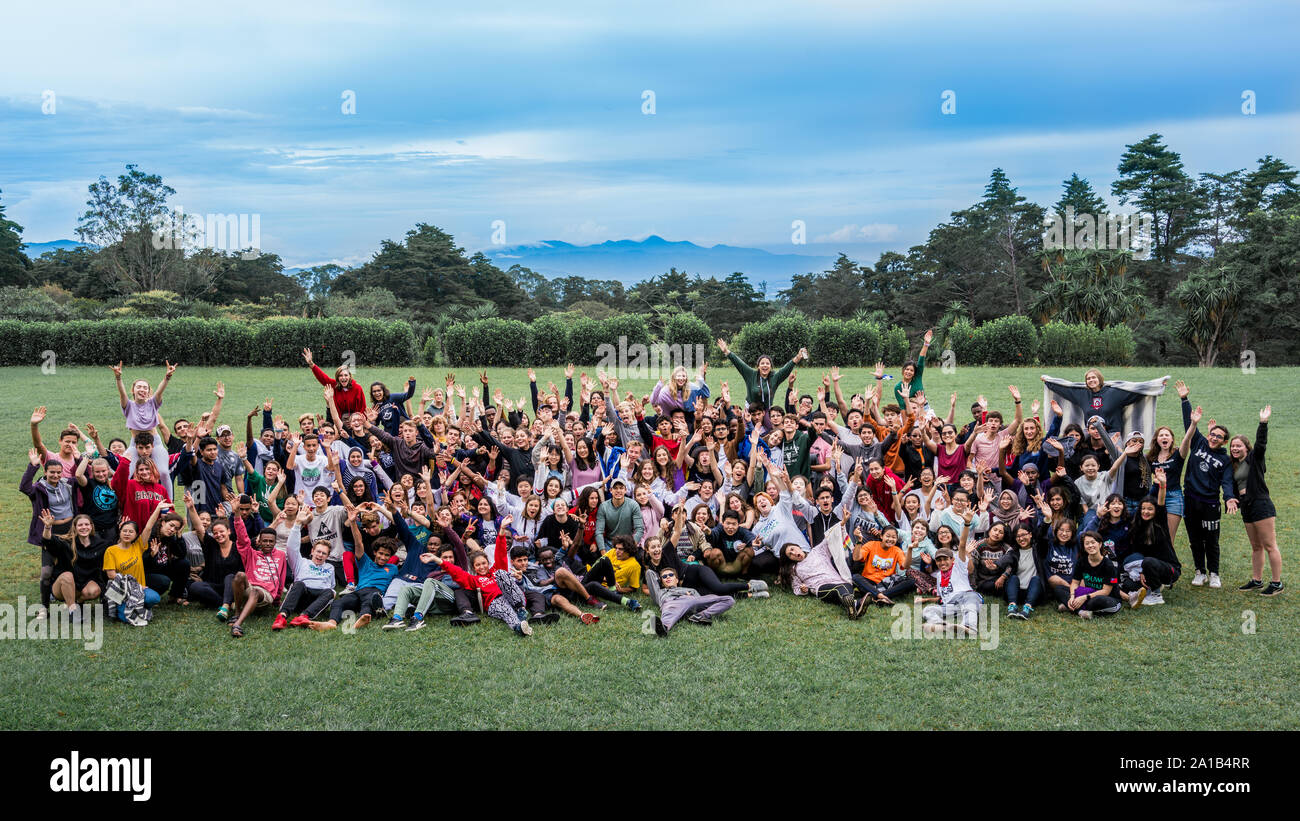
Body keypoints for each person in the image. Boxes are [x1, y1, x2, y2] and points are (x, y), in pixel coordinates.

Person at [1178, 387, 1236, 589]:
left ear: (1224, 442)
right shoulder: (1199, 442)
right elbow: (1189, 424)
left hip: (1210, 504)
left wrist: (1229, 497)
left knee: (1211, 540)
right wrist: (1185, 399)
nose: (1213, 438)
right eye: (1212, 434)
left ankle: (1214, 573)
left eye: (1218, 437)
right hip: (1190, 501)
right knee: (1194, 539)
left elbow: (1227, 481)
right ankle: (1199, 572)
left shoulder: (1225, 459)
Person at [1230, 406, 1282, 596]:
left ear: (1246, 447)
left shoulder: (1254, 458)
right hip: (1247, 506)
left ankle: (1277, 583)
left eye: (1238, 446)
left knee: (1270, 545)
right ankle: (1256, 580)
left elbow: (1261, 444)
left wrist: (1263, 423)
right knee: (1256, 546)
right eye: (1233, 446)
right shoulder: (1235, 465)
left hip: (1261, 504)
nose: (1235, 448)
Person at [645, 565, 736, 636]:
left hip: (693, 601)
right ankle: (664, 628)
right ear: (662, 582)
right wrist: (657, 576)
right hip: (672, 602)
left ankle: (701, 616)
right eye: (664, 576)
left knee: (729, 600)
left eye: (671, 575)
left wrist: (689, 595)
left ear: (677, 580)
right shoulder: (660, 592)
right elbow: (649, 573)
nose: (668, 577)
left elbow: (700, 601)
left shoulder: (690, 590)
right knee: (669, 612)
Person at [1068, 531, 1122, 619]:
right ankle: (1080, 611)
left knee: (1096, 601)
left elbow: (1106, 591)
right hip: (1088, 593)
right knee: (1060, 589)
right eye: (1087, 543)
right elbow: (1074, 582)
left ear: (1100, 544)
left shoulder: (1108, 565)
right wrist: (1072, 596)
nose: (1090, 546)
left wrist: (1084, 597)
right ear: (1084, 547)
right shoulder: (1081, 561)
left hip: (1107, 598)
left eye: (1093, 542)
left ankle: (1074, 609)